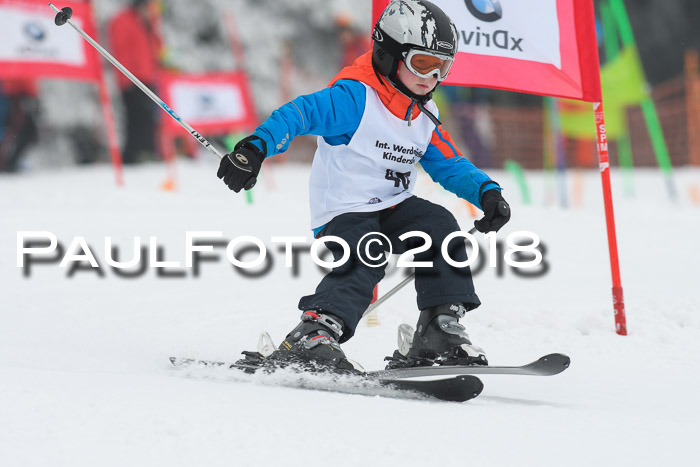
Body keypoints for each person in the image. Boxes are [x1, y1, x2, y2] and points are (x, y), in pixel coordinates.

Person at [217, 0, 511, 371]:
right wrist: (255, 148)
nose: (432, 77)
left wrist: (486, 192)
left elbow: (449, 163)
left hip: (394, 207)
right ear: (390, 55)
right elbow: (300, 113)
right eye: (423, 63)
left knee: (440, 226)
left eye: (442, 67)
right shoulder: (355, 98)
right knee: (369, 250)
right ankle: (316, 330)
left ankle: (438, 327)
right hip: (345, 210)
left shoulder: (421, 113)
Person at [108, 0, 160, 164]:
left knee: (147, 117)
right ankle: (132, 156)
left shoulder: (147, 21)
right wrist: (128, 76)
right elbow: (120, 49)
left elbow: (155, 47)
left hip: (148, 77)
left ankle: (145, 152)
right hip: (131, 79)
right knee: (135, 118)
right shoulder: (123, 20)